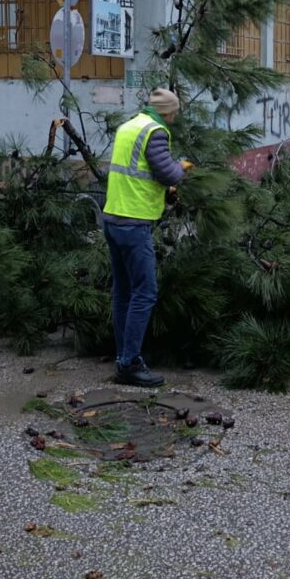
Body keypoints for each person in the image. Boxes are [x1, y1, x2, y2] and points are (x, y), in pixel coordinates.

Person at [102, 88, 186, 387]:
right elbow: (168, 174)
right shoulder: (156, 131)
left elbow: (138, 171)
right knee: (145, 292)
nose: (175, 116)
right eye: (174, 111)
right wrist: (182, 169)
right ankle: (129, 363)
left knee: (124, 292)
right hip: (133, 222)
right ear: (167, 111)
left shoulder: (130, 126)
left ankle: (123, 356)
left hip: (113, 217)